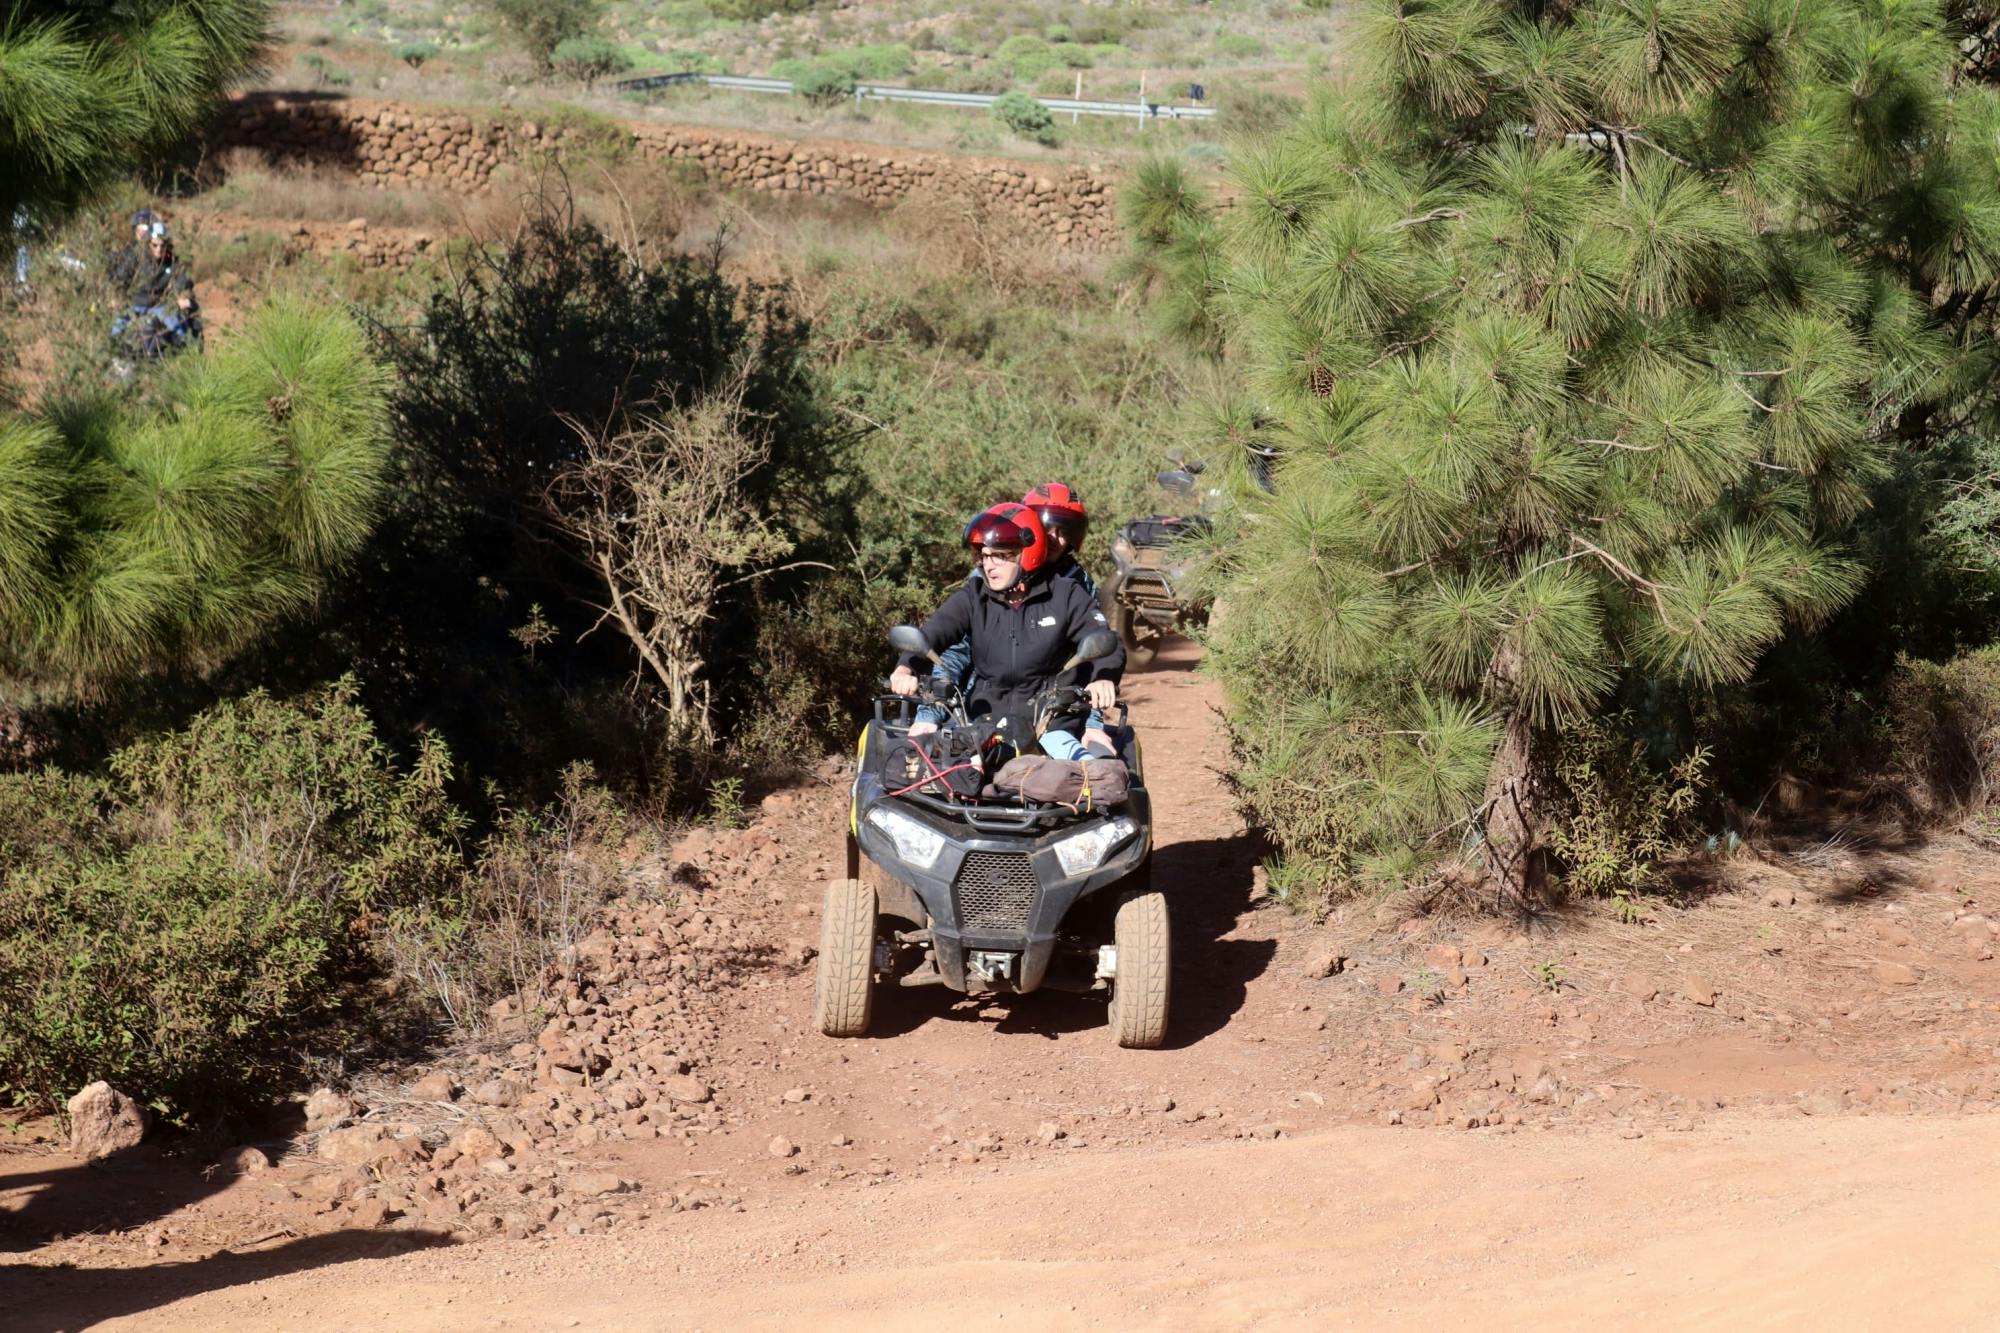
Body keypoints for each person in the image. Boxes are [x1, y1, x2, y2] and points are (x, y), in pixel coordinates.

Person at [891, 505, 1121, 761]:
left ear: (1028, 554)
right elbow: (933, 634)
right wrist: (905, 668)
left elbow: (1104, 641)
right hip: (982, 726)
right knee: (927, 771)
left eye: (1000, 556)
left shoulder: (1066, 594)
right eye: (985, 556)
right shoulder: (974, 596)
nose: (989, 566)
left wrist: (1103, 677)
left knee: (1093, 781)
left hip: (1049, 729)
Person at [107, 209, 156, 291]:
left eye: (144, 228)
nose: (141, 232)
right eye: (138, 227)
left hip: (146, 295)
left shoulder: (156, 248)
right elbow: (121, 270)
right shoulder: (130, 248)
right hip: (128, 292)